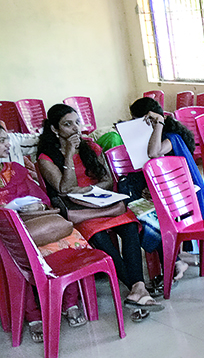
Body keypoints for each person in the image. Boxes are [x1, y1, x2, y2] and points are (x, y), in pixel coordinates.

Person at [37, 104, 163, 322]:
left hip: (101, 201)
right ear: (54, 129)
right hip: (78, 211)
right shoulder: (45, 157)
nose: (75, 128)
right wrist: (68, 154)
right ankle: (137, 289)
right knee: (101, 238)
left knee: (130, 227)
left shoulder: (91, 147)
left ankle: (138, 289)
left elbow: (106, 179)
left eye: (77, 122)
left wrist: (91, 191)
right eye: (67, 124)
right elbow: (63, 189)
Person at [0, 121, 90, 341]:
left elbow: (42, 198)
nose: (7, 145)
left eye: (5, 140)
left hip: (35, 224)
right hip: (6, 235)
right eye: (1, 141)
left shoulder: (16, 169)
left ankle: (69, 302)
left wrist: (36, 206)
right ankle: (33, 316)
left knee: (68, 238)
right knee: (14, 255)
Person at [129, 97, 204, 221]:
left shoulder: (171, 137)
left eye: (136, 120)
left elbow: (154, 153)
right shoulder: (151, 137)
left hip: (184, 195)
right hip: (169, 191)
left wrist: (159, 122)